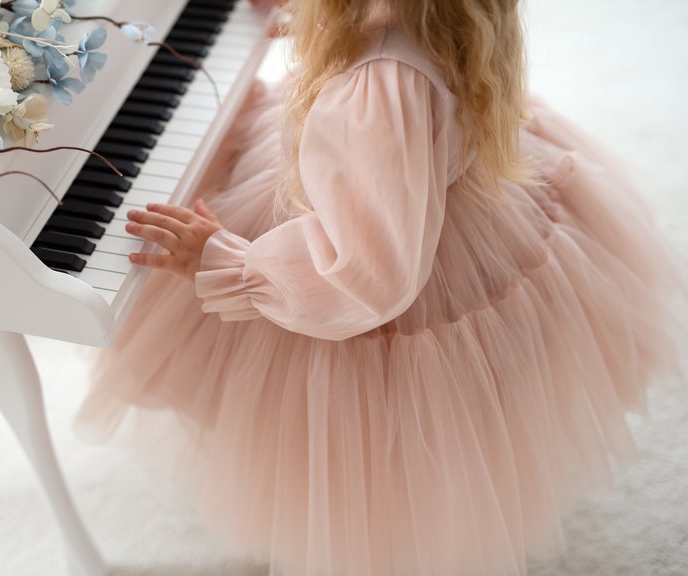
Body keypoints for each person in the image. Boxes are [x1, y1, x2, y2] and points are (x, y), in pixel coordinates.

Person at [75, 0, 685, 574]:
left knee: (359, 450)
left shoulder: (382, 91)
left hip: (374, 244)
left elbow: (365, 277)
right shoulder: (439, 18)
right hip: (400, 184)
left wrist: (222, 259)